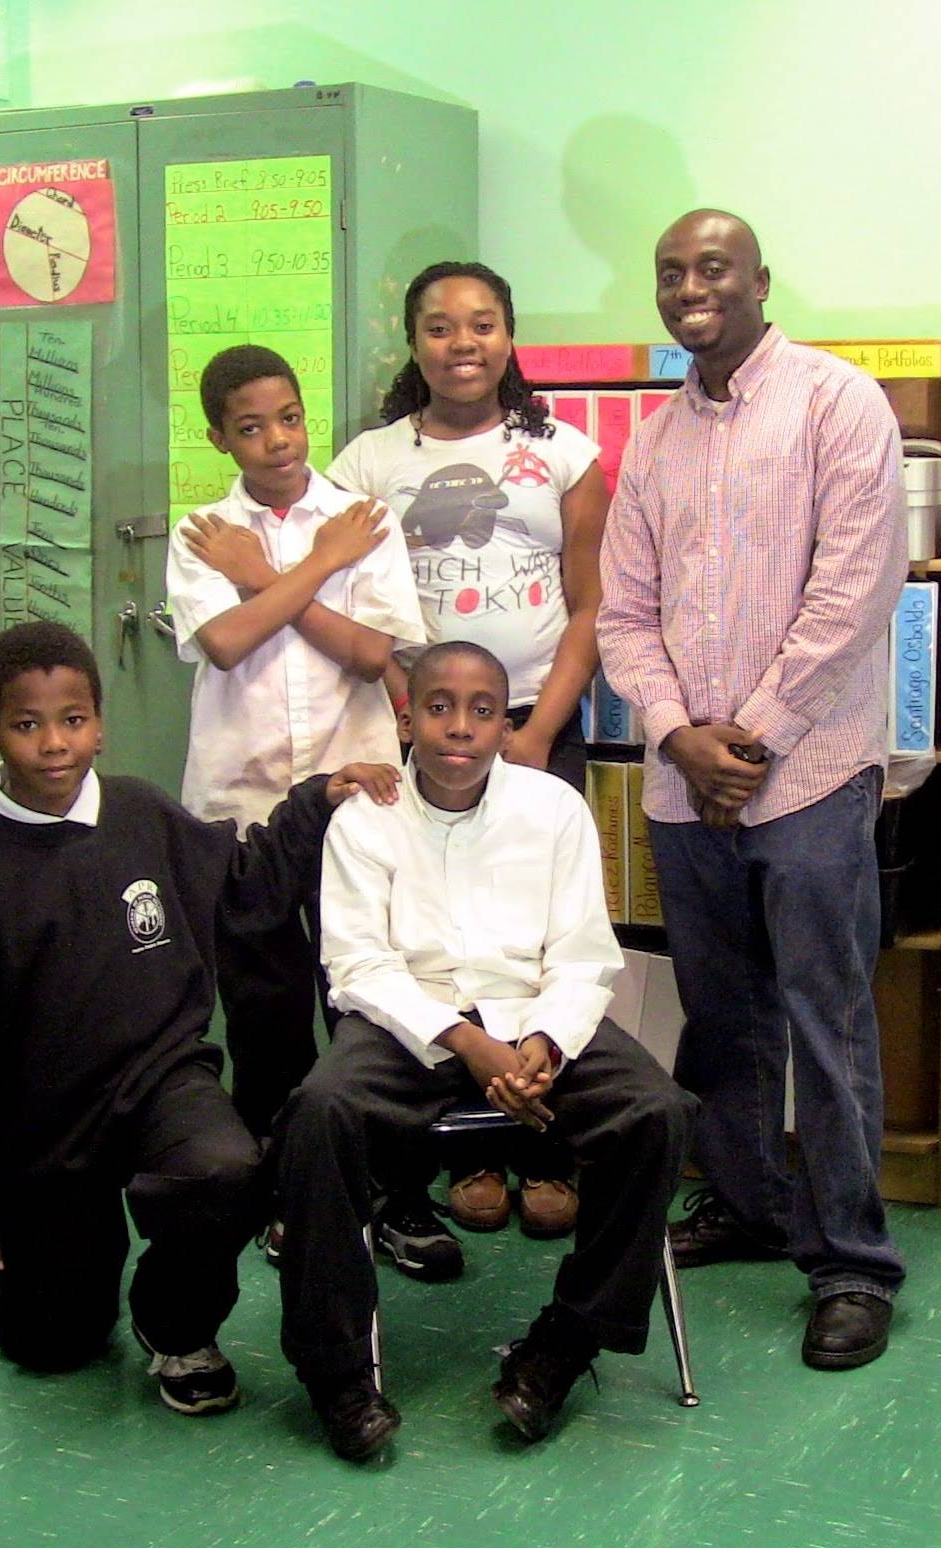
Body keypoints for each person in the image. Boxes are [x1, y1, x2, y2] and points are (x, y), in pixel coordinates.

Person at [0, 619, 399, 1414]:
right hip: (39, 1125)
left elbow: (246, 884)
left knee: (226, 1169)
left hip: (160, 1079)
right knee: (52, 1344)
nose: (54, 744)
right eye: (27, 724)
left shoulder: (141, 815)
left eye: (73, 719)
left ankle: (177, 1325)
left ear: (99, 722)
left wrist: (316, 801)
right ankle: (74, 1276)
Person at [597, 209, 910, 1371]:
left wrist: (757, 736)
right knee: (722, 1023)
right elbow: (624, 615)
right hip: (687, 786)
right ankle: (746, 1201)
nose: (691, 287)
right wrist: (680, 737)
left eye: (712, 267)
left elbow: (858, 588)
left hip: (814, 774)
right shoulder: (655, 439)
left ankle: (850, 1264)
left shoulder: (837, 403)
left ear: (760, 281)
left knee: (825, 1023)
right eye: (671, 270)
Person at [273, 641, 694, 1461]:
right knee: (317, 1113)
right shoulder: (364, 820)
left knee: (657, 1113)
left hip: (537, 1013)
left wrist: (538, 1041)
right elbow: (357, 965)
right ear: (407, 716)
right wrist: (466, 1042)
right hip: (410, 1022)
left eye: (479, 710)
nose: (457, 727)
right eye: (438, 707)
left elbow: (582, 955)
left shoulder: (553, 809)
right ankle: (337, 1373)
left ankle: (563, 1345)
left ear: (507, 723)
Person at [330, 260, 610, 1244]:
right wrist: (402, 708)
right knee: (440, 936)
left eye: (482, 325)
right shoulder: (367, 463)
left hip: (532, 719)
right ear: (413, 343)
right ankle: (470, 1155)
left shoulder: (566, 455)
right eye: (440, 327)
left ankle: (547, 1147)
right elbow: (344, 602)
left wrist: (535, 733)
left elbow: (590, 606)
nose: (462, 344)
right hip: (414, 724)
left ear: (508, 335)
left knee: (533, 944)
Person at [164, 345, 424, 1155]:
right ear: (218, 439)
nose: (278, 440)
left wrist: (269, 575)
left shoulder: (362, 521)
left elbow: (370, 654)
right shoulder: (203, 533)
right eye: (250, 428)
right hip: (243, 808)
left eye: (290, 417)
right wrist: (318, 566)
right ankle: (277, 1168)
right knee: (263, 1001)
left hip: (357, 793)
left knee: (365, 993)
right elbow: (228, 642)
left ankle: (381, 1172)